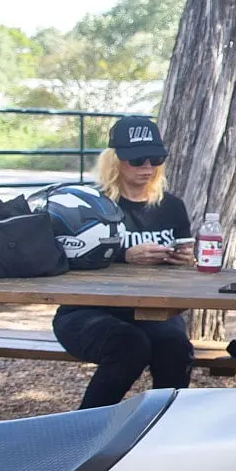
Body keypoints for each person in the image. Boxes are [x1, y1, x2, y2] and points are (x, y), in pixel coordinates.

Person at [51, 116, 198, 409]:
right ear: (114, 161)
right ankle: (88, 428)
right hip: (87, 308)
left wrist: (183, 259)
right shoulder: (92, 204)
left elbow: (186, 256)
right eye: (137, 160)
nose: (148, 167)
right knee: (128, 346)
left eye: (155, 159)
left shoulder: (171, 206)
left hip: (152, 309)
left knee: (176, 348)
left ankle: (162, 427)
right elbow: (63, 256)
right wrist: (124, 255)